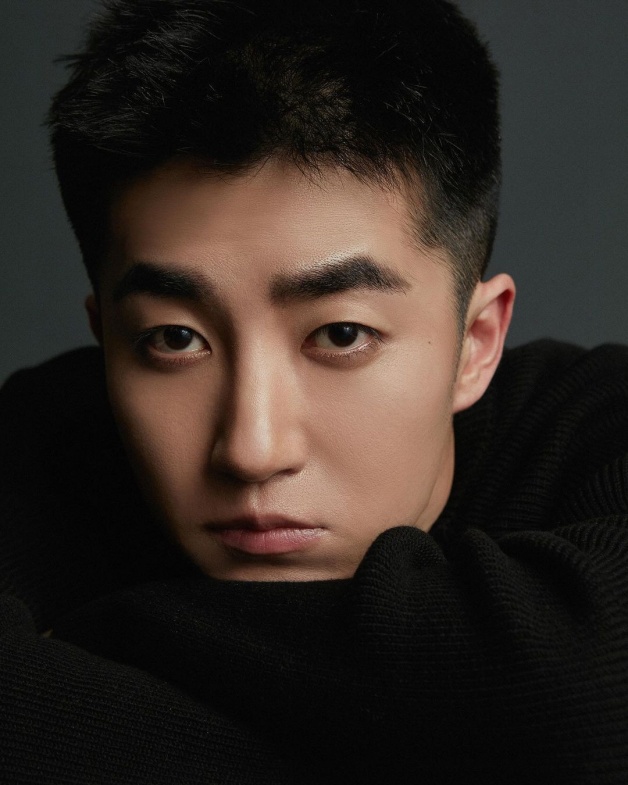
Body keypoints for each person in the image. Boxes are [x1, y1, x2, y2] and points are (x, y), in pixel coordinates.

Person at [0, 0, 627, 782]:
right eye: (174, 339)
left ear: (475, 343)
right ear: (106, 338)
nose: (253, 450)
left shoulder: (602, 419)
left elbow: (594, 692)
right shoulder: (39, 437)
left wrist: (112, 637)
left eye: (340, 333)